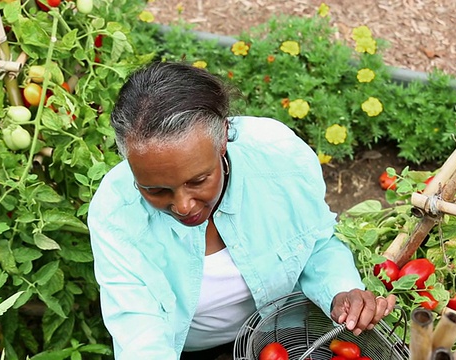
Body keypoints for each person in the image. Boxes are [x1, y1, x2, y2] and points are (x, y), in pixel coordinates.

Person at [88, 61, 396, 359]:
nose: (183, 206)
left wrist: (340, 292)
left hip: (284, 335)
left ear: (223, 138)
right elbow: (140, 331)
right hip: (186, 349)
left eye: (198, 180)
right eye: (155, 190)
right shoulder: (116, 214)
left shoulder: (282, 161)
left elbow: (317, 243)